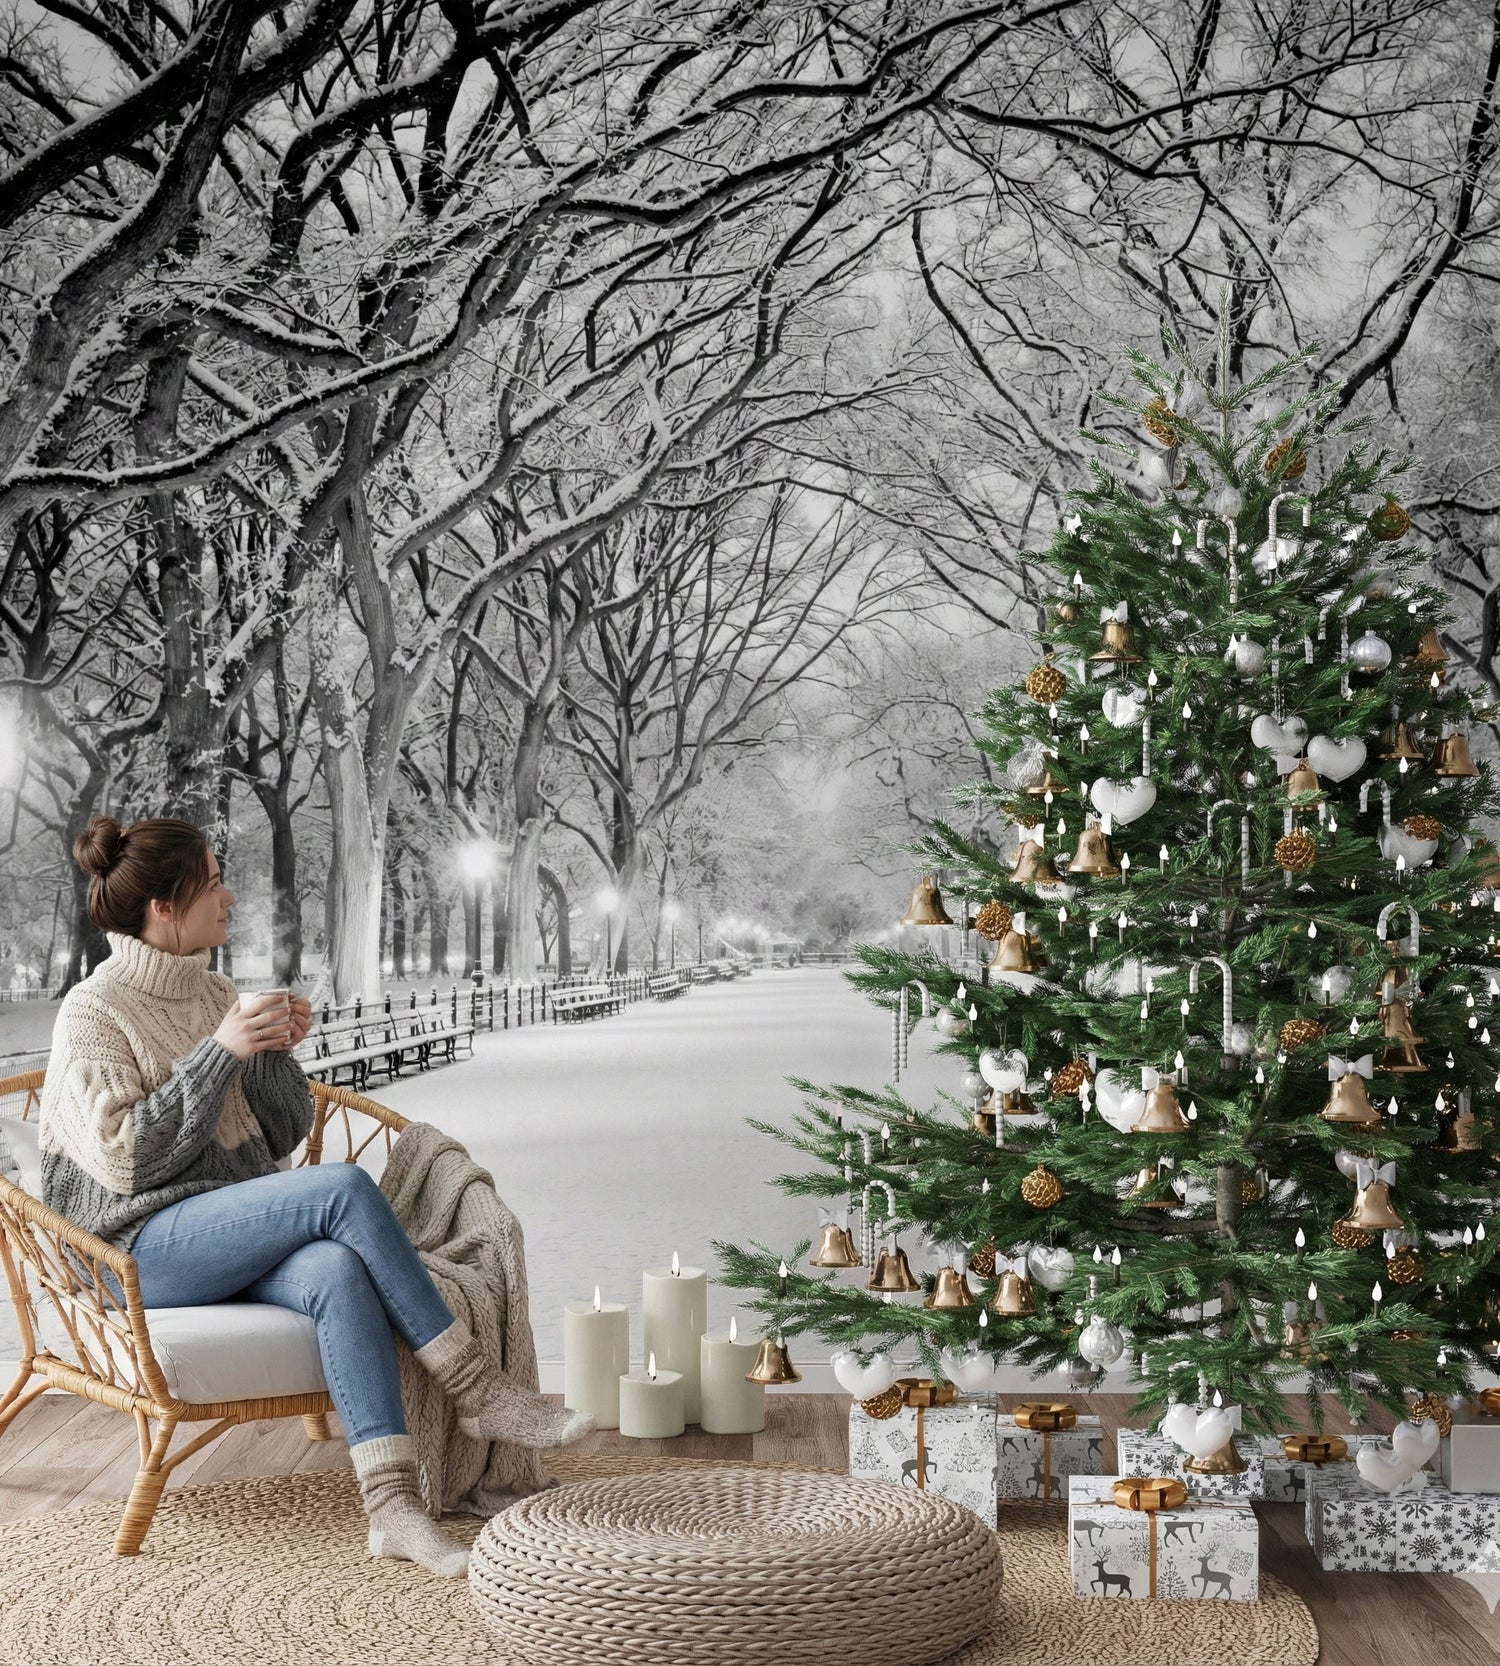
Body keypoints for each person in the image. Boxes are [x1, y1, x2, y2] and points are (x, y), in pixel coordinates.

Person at [40, 815, 593, 1577]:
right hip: (127, 1249)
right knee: (341, 1188)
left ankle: (392, 1510)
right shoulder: (92, 1012)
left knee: (335, 1268)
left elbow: (284, 1135)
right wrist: (221, 1053)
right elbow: (128, 1158)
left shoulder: (215, 991)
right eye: (211, 882)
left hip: (220, 1234)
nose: (228, 897)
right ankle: (474, 1385)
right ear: (165, 905)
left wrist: (271, 1057)